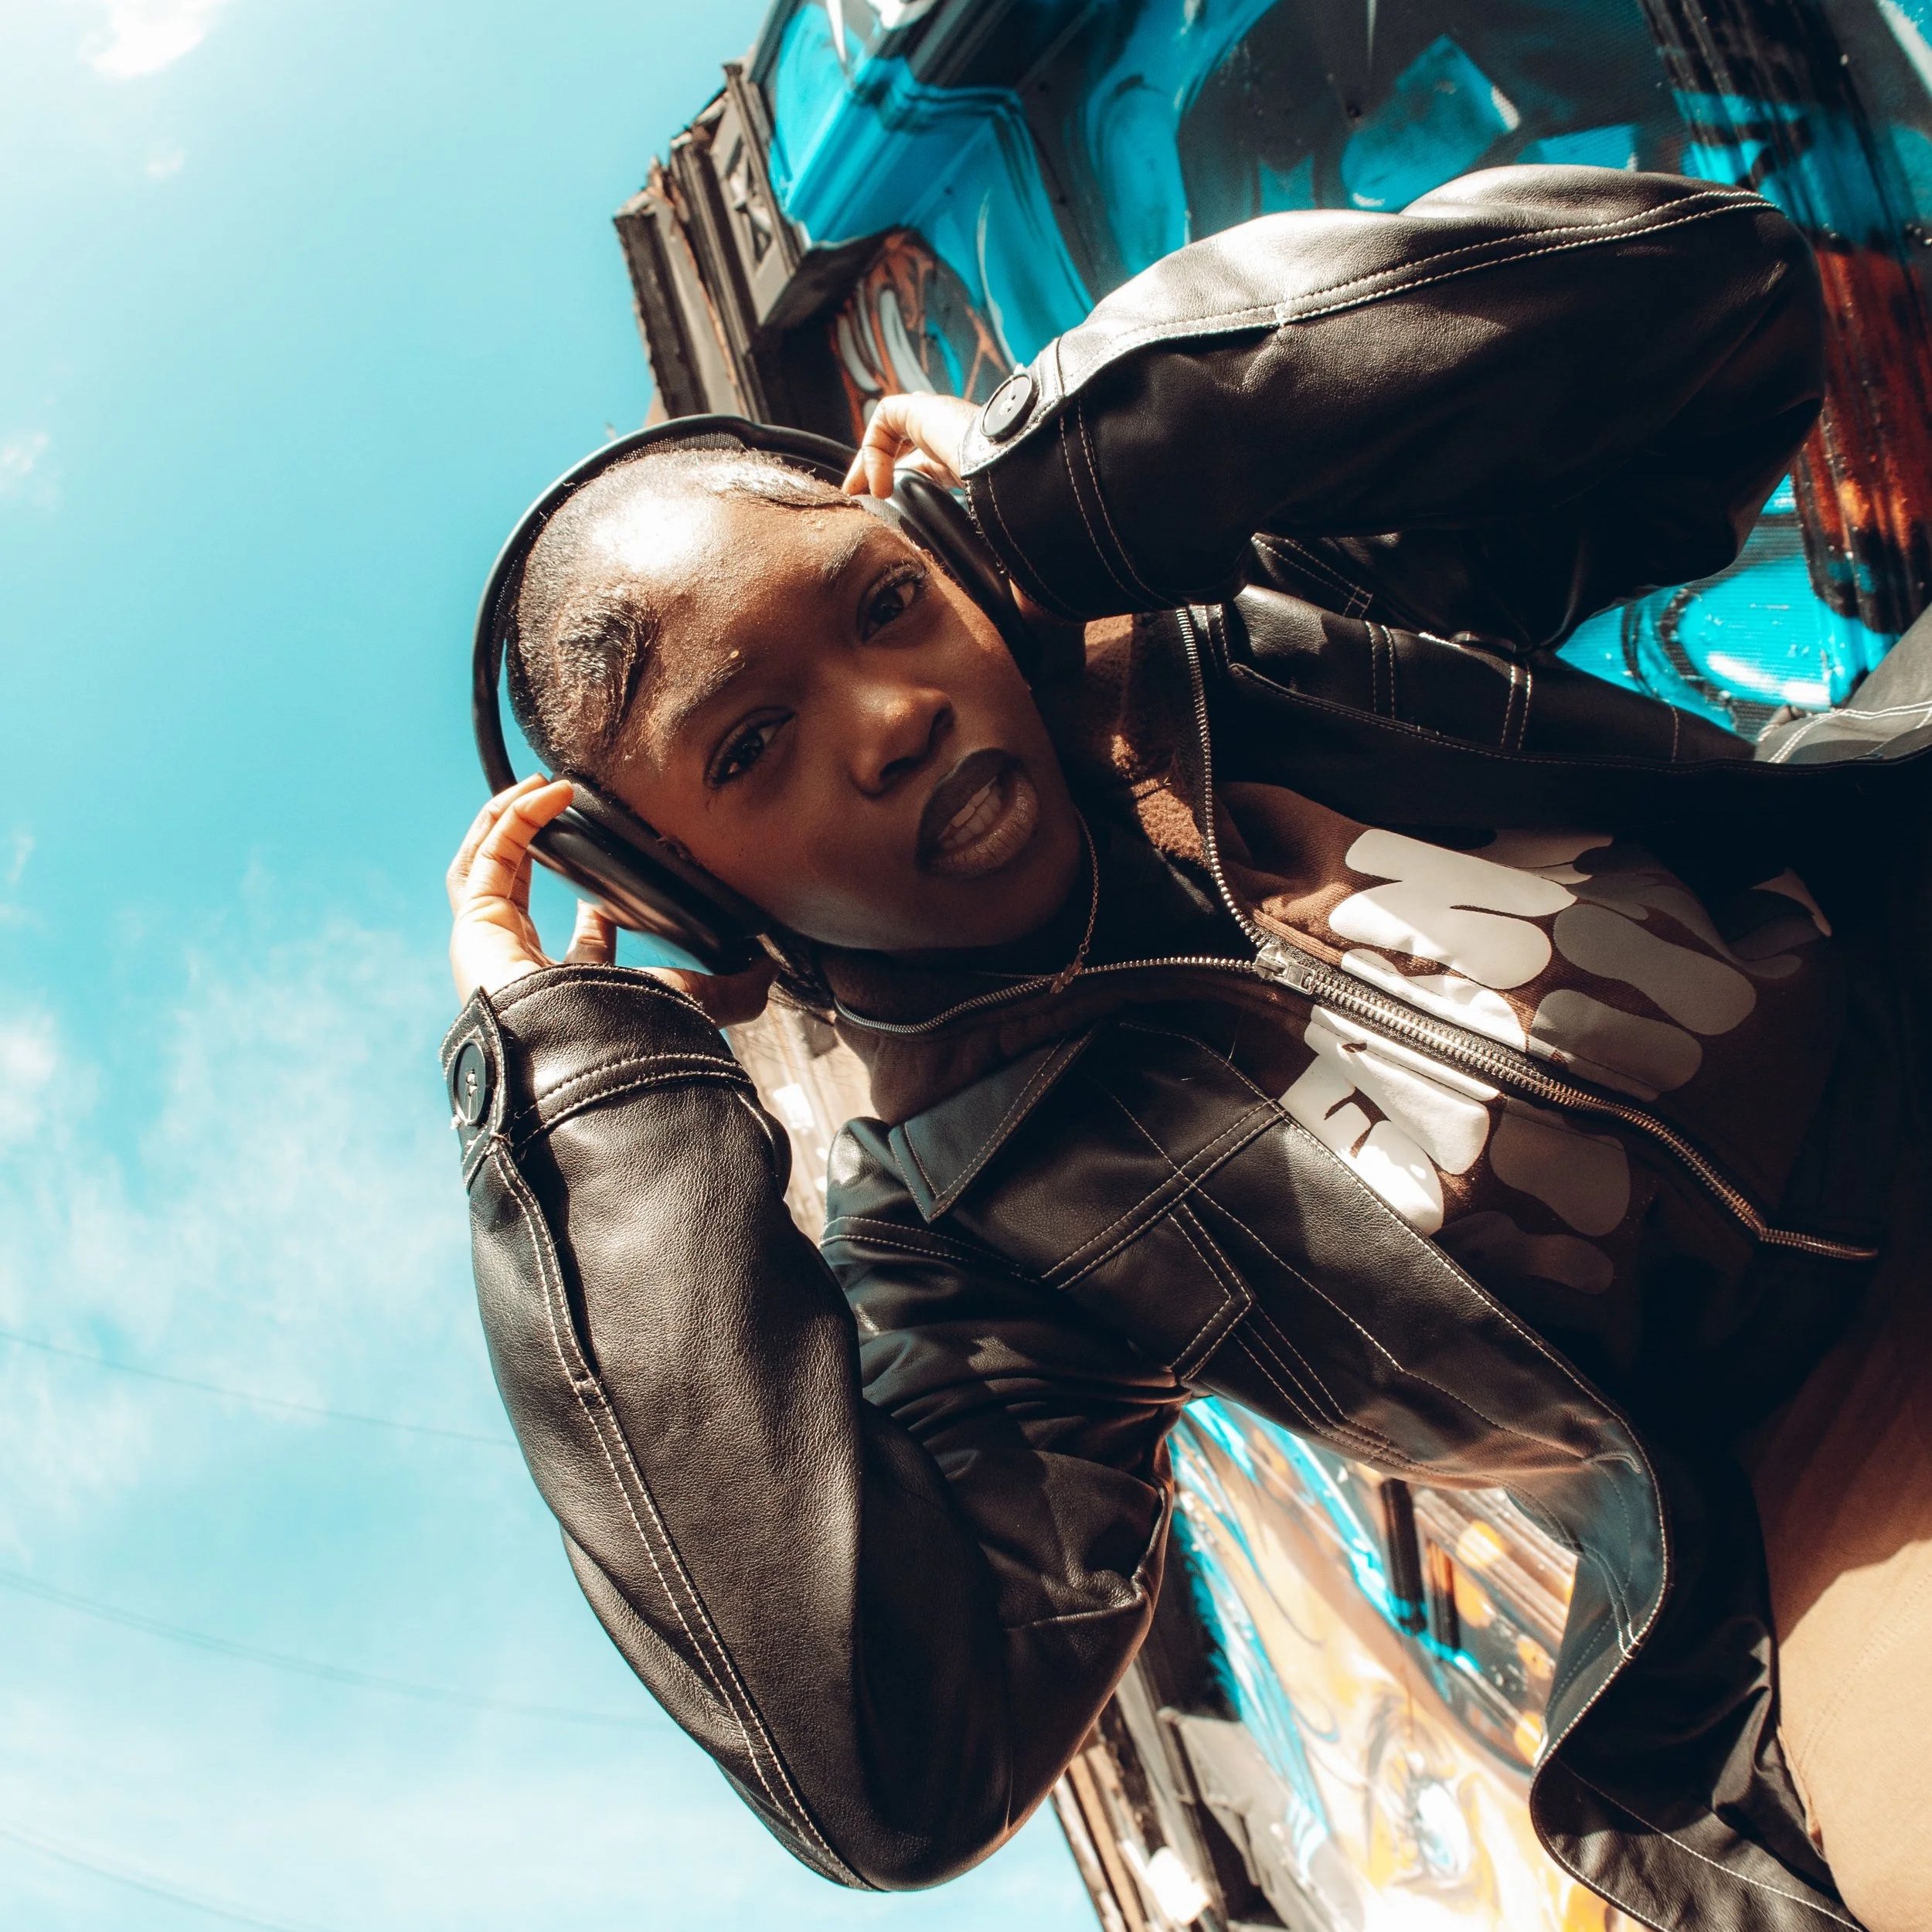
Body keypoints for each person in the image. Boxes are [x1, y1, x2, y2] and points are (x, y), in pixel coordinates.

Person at [442, 165, 1932, 1931]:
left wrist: (1072, 472)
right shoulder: (960, 1233)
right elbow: (897, 1762)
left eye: (884, 606)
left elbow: (1713, 305)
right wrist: (585, 1105)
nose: (894, 714)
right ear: (677, 888)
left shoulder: (1264, 612)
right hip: (1789, 1464)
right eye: (753, 742)